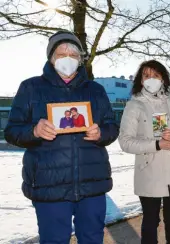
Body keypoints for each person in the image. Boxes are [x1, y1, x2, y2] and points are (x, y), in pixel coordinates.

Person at [4, 30, 119, 244]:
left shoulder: (96, 90)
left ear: (80, 59)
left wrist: (101, 133)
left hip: (91, 185)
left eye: (73, 55)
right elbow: (11, 131)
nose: (67, 59)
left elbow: (112, 127)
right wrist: (34, 131)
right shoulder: (30, 88)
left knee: (93, 239)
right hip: (50, 188)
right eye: (61, 53)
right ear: (51, 58)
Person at [118, 60, 170, 244]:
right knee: (151, 221)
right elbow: (125, 142)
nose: (151, 79)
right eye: (146, 75)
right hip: (148, 174)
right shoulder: (134, 106)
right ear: (140, 80)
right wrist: (157, 144)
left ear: (164, 78)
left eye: (156, 75)